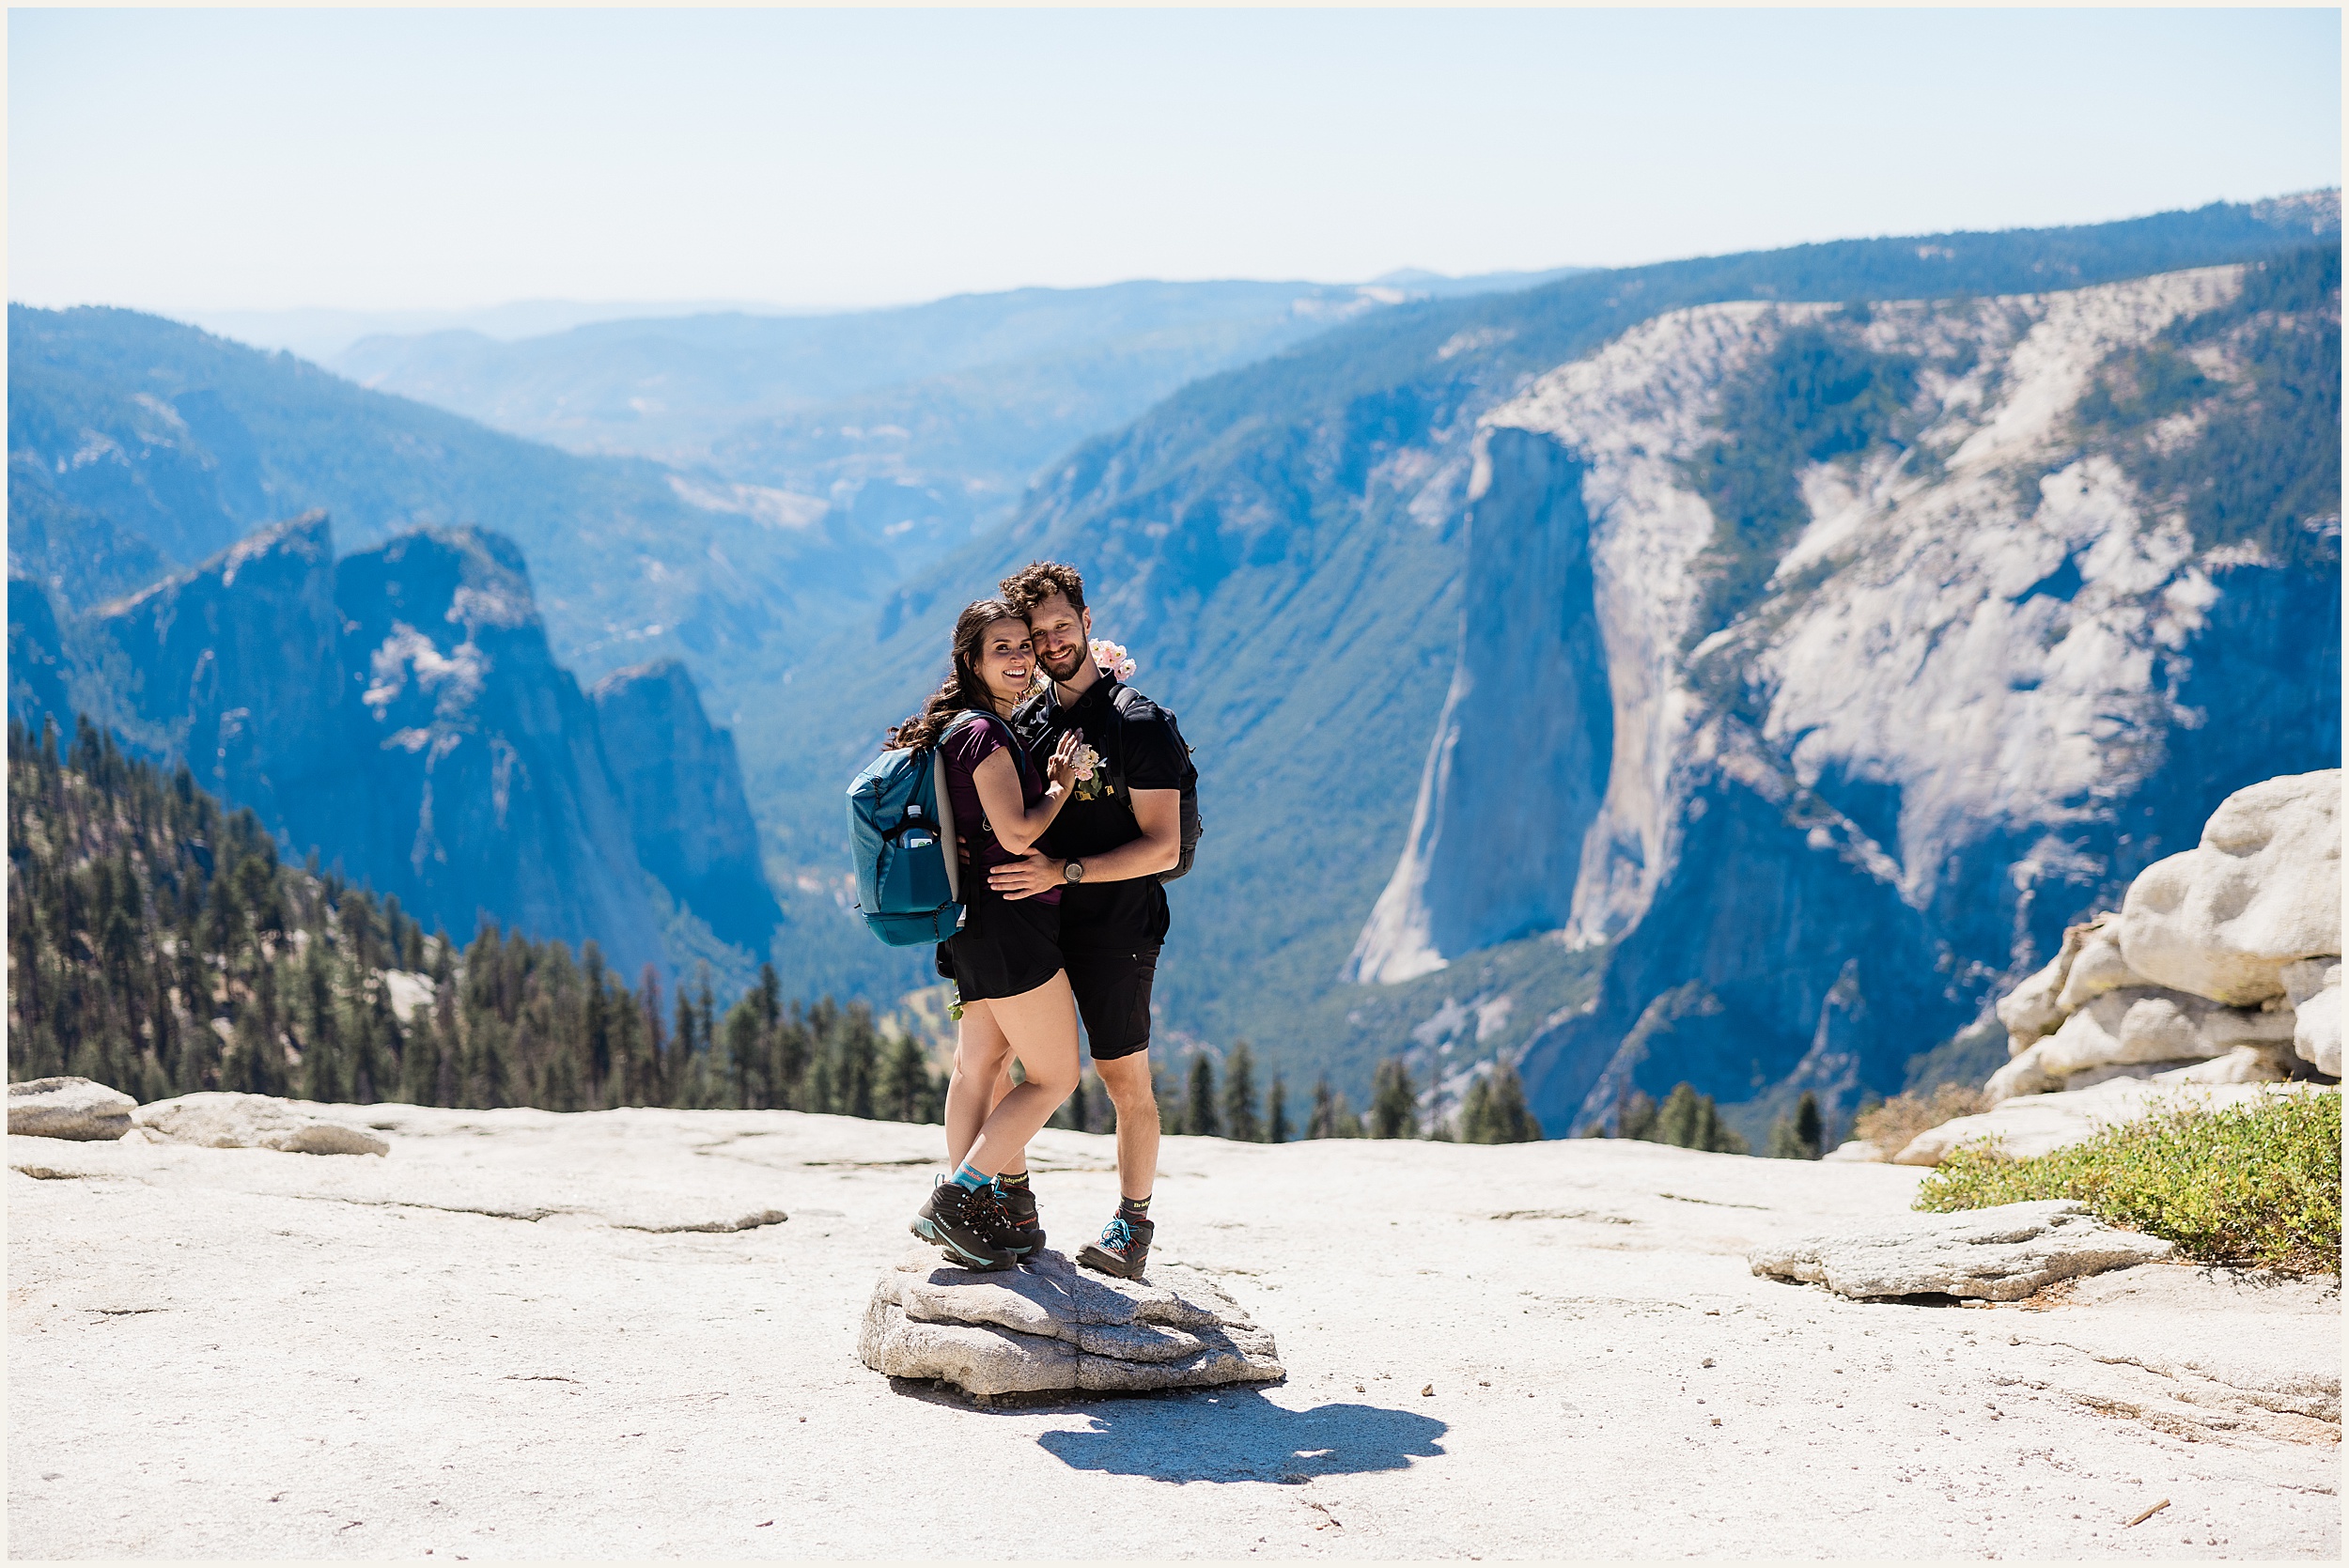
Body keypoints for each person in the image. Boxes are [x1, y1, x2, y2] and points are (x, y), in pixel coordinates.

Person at [985, 561, 1187, 1279]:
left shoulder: (1139, 722)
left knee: (1121, 1073)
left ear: (1088, 621)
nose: (1051, 643)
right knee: (1015, 1062)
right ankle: (1015, 1203)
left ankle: (1132, 1225)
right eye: (1036, 634)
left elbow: (1162, 843)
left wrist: (1062, 872)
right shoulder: (1033, 718)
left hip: (1118, 925)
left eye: (1062, 626)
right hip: (1039, 921)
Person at [890, 599, 1087, 1270]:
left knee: (980, 1067)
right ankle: (959, 1196)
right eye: (1000, 647)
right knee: (1055, 1076)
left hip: (975, 923)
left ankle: (973, 1213)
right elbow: (1018, 831)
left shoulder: (960, 728)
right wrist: (1060, 784)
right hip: (1014, 923)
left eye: (1022, 647)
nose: (1018, 658)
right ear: (971, 661)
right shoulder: (986, 736)